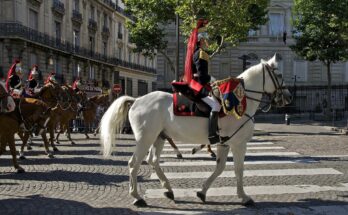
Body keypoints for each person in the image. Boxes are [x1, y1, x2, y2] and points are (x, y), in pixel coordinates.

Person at [183, 19, 222, 145]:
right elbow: (202, 76)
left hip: (197, 83)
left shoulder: (197, 52)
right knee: (216, 106)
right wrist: (212, 79)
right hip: (198, 86)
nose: (208, 42)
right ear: (201, 40)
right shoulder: (201, 53)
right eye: (207, 39)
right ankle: (212, 135)